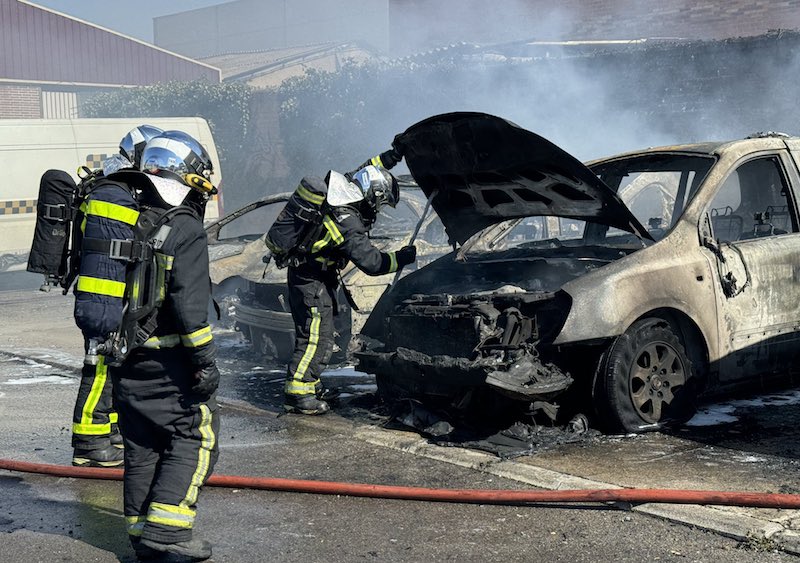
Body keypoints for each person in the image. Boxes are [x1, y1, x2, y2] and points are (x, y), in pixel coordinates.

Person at [106, 130, 221, 561]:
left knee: (142, 447)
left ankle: (142, 538)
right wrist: (205, 361)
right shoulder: (184, 228)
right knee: (196, 435)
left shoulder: (127, 217)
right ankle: (168, 530)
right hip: (168, 363)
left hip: (124, 357)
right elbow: (190, 309)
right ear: (187, 178)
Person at [280, 155, 417, 416]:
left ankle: (310, 386)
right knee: (316, 337)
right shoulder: (347, 221)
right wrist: (402, 258)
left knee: (315, 334)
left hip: (310, 275)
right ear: (373, 194)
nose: (378, 209)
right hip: (312, 281)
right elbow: (372, 263)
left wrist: (391, 156)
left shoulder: (341, 191)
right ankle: (298, 394)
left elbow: (366, 169)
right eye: (380, 203)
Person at [71, 124, 163, 468]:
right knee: (98, 367)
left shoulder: (113, 187)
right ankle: (89, 442)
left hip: (106, 296)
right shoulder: (114, 194)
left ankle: (107, 431)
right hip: (103, 299)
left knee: (109, 365)